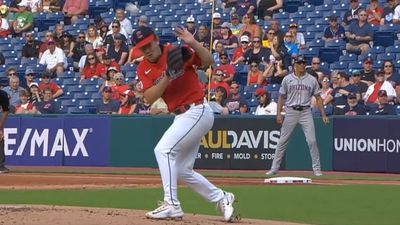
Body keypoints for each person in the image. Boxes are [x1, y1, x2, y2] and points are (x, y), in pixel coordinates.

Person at [133, 26, 236, 221]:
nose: (146, 50)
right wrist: (168, 78)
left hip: (196, 109)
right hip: (181, 116)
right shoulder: (142, 67)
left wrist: (192, 43)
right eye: (141, 47)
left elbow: (208, 61)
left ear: (155, 39)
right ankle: (222, 197)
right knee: (182, 170)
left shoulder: (175, 52)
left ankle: (171, 204)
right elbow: (148, 98)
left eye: (148, 44)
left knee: (163, 150)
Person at [266, 55, 329, 177]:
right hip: (291, 111)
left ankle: (317, 169)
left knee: (312, 141)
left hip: (306, 112)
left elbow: (318, 98)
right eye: (299, 63)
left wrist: (323, 114)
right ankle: (274, 168)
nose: (302, 65)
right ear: (295, 65)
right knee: (282, 141)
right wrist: (279, 113)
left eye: (303, 63)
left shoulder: (311, 79)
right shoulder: (287, 79)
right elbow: (281, 97)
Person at [0, 88, 10, 173]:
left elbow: (6, 111)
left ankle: (0, 166)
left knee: (0, 139)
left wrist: (0, 127)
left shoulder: (3, 95)